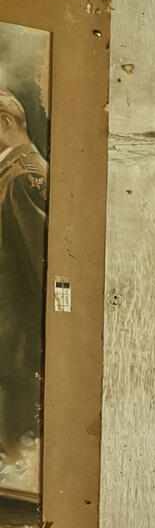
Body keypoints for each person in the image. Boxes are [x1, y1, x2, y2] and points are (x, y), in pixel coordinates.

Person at [0, 86, 46, 497]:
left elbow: (42, 266)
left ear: (5, 123)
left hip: (18, 328)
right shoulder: (9, 172)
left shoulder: (25, 176)